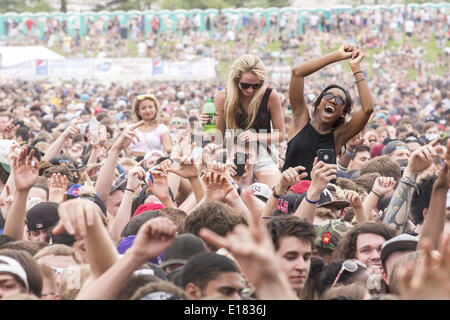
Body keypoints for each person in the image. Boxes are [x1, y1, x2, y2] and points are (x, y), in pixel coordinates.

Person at [282, 44, 373, 179]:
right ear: (319, 104)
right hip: (289, 195)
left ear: (342, 113)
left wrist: (356, 68)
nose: (333, 101)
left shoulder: (338, 137)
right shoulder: (300, 121)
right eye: (329, 96)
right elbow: (297, 73)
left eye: (340, 100)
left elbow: (367, 109)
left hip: (322, 199)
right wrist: (336, 56)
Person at [203, 54, 286, 188]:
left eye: (256, 86)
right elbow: (216, 138)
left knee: (275, 195)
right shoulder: (223, 97)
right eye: (245, 85)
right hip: (233, 152)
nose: (250, 90)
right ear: (236, 80)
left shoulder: (270, 96)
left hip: (262, 152)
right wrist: (207, 124)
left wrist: (256, 136)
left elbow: (281, 135)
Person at [129, 94, 172, 158]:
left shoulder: (162, 128)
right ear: (138, 112)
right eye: (143, 108)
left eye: (150, 107)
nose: (147, 110)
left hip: (154, 163)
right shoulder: (131, 128)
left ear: (155, 109)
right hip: (133, 163)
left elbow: (168, 149)